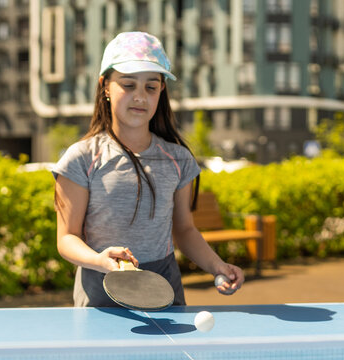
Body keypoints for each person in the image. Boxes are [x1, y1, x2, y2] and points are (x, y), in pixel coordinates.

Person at [52, 31, 244, 307]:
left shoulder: (179, 159)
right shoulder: (80, 158)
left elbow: (185, 230)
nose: (140, 96)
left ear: (161, 90)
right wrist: (98, 260)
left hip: (165, 289)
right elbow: (67, 237)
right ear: (105, 86)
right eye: (128, 85)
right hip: (99, 295)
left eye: (150, 87)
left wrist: (217, 266)